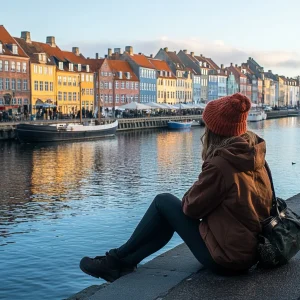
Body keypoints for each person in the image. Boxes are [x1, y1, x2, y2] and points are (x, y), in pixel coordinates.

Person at [80, 93, 273, 282]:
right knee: (168, 212)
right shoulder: (256, 156)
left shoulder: (221, 165)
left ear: (215, 130)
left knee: (163, 202)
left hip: (227, 259)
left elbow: (190, 208)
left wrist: (199, 183)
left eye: (207, 126)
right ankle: (124, 262)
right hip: (251, 251)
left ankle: (114, 260)